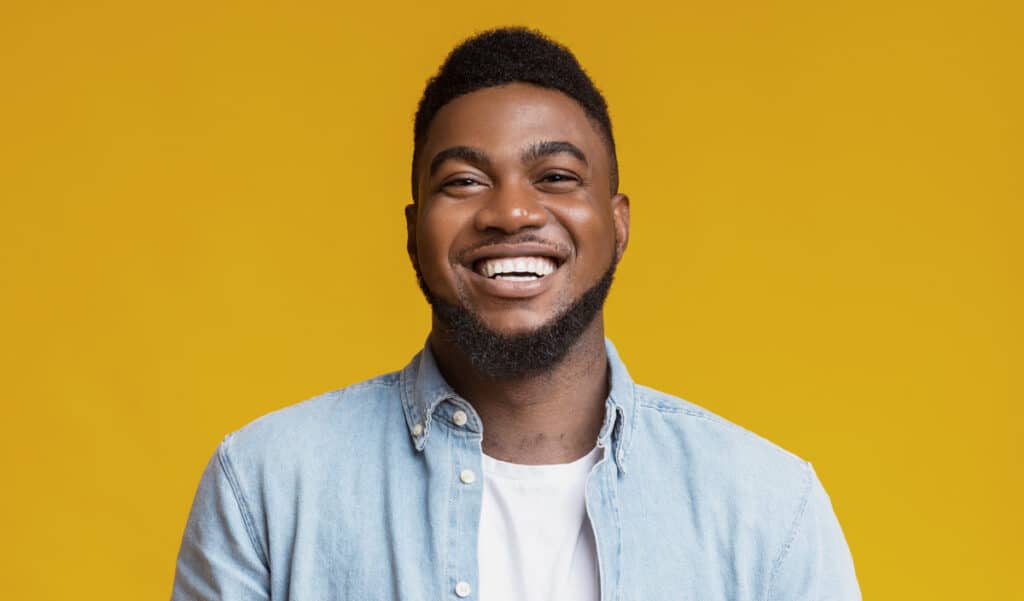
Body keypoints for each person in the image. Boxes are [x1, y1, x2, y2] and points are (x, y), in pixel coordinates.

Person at [171, 27, 860, 601]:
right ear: (414, 229)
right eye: (464, 181)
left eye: (556, 176)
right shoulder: (265, 487)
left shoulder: (771, 512)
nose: (511, 212)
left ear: (617, 224)